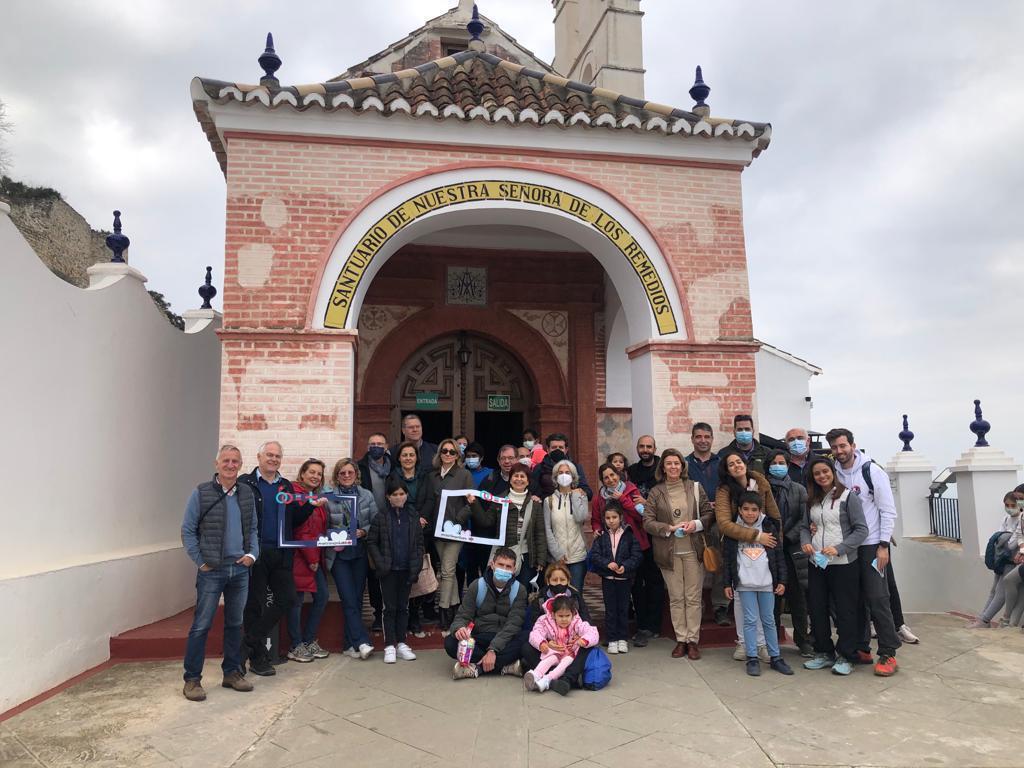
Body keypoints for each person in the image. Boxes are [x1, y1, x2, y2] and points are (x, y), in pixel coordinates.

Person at [181, 445, 259, 700]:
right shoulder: (202, 493)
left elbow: (254, 529)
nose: (230, 465)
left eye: (235, 461)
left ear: (240, 464)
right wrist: (201, 562)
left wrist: (251, 555)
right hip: (212, 570)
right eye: (225, 460)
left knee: (235, 624)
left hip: (239, 569)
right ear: (217, 464)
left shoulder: (246, 493)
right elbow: (188, 530)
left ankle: (232, 673)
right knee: (201, 625)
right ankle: (192, 680)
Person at [827, 428, 903, 675]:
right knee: (854, 599)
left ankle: (888, 652)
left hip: (871, 545)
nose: (839, 451)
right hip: (848, 545)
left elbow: (888, 510)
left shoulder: (872, 472)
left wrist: (883, 546)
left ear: (852, 445)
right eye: (835, 447)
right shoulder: (835, 473)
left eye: (842, 446)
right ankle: (861, 648)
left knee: (878, 597)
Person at [239, 441, 308, 676]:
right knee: (254, 606)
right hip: (254, 554)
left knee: (287, 600)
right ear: (259, 456)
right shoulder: (245, 483)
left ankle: (245, 645)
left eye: (277, 456)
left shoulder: (285, 485)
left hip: (280, 554)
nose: (274, 459)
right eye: (269, 455)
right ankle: (258, 659)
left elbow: (294, 519)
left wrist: (310, 504)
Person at [799, 456, 868, 676]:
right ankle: (824, 652)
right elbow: (804, 528)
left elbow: (861, 530)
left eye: (825, 472)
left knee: (846, 610)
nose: (822, 476)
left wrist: (840, 548)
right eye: (817, 473)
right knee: (817, 608)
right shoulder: (811, 500)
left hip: (844, 564)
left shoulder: (848, 497)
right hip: (817, 563)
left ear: (833, 472)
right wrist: (806, 543)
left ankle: (847, 655)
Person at [643, 448, 714, 659]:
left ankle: (693, 641)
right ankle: (680, 640)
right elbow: (647, 521)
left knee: (693, 597)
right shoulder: (656, 492)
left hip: (693, 550)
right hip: (669, 551)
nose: (673, 467)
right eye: (669, 463)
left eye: (677, 463)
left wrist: (696, 524)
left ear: (683, 466)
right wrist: (667, 528)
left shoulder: (694, 488)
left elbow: (709, 514)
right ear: (662, 467)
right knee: (676, 598)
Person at [716, 449, 781, 661]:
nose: (736, 465)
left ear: (745, 462)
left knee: (764, 605)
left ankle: (762, 645)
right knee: (742, 602)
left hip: (764, 546)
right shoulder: (724, 491)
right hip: (739, 545)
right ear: (727, 470)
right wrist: (755, 536)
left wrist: (772, 539)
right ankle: (744, 643)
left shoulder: (761, 483)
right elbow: (724, 524)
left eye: (739, 461)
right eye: (731, 464)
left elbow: (774, 514)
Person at [590, 462, 664, 647]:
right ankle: (614, 633)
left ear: (619, 474)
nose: (610, 479)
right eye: (606, 477)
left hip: (635, 546)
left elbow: (642, 516)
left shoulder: (631, 491)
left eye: (613, 475)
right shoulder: (599, 498)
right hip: (612, 549)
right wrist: (597, 529)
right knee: (615, 594)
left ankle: (642, 629)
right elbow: (596, 520)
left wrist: (623, 499)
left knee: (638, 588)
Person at [723, 492, 794, 676]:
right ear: (739, 510)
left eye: (754, 510)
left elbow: (778, 555)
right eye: (745, 509)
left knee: (769, 620)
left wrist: (782, 581)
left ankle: (775, 657)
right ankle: (752, 658)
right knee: (750, 620)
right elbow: (728, 559)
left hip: (767, 584)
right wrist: (727, 583)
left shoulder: (769, 525)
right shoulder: (733, 530)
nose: (749, 513)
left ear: (760, 510)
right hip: (745, 584)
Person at [417, 437, 482, 632]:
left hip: (455, 531)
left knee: (446, 571)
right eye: (444, 451)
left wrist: (456, 521)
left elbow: (471, 503)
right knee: (449, 573)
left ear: (457, 455)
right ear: (439, 453)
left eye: (452, 452)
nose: (447, 454)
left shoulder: (464, 475)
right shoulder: (432, 476)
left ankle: (444, 612)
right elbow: (429, 501)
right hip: (436, 531)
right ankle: (454, 609)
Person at [324, 458, 378, 660]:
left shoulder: (366, 495)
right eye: (342, 473)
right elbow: (323, 525)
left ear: (356, 474)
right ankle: (362, 641)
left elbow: (376, 522)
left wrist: (364, 531)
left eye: (350, 472)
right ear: (337, 476)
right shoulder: (328, 497)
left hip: (360, 554)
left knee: (355, 599)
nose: (346, 476)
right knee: (348, 598)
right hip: (338, 556)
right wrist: (333, 535)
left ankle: (349, 645)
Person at [366, 476, 424, 663]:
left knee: (403, 607)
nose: (399, 497)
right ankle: (389, 644)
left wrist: (416, 565)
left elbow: (419, 544)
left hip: (407, 569)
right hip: (388, 570)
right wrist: (381, 563)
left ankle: (401, 643)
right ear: (388, 497)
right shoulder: (381, 517)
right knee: (389, 608)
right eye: (394, 494)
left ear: (406, 495)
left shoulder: (413, 516)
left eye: (402, 494)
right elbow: (372, 542)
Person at [446, 548, 528, 679]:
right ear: (492, 564)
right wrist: (459, 628)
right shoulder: (477, 585)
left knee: (527, 639)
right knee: (450, 642)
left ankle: (476, 668)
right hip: (479, 637)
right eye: (501, 565)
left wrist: (493, 650)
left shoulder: (520, 590)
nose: (504, 569)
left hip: (505, 639)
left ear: (514, 570)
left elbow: (514, 624)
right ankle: (505, 666)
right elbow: (463, 616)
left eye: (508, 567)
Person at [765, 450, 812, 656]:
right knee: (772, 598)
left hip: (793, 549)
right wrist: (773, 538)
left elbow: (805, 518)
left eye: (781, 462)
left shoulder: (799, 489)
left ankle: (803, 640)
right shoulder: (762, 488)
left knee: (798, 598)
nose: (778, 465)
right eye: (774, 462)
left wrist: (788, 537)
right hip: (769, 548)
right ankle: (771, 641)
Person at [286, 459, 331, 663]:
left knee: (322, 596)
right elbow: (301, 530)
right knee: (296, 602)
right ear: (302, 474)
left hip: (313, 557)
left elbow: (318, 530)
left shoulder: (315, 497)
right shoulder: (296, 495)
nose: (315, 476)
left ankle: (308, 640)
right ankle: (296, 646)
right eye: (311, 472)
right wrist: (312, 558)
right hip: (299, 557)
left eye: (319, 474)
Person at [686, 422, 729, 627]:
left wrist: (718, 503)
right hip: (694, 521)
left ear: (712, 439)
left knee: (719, 562)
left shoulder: (722, 463)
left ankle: (720, 607)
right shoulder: (684, 464)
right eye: (698, 437)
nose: (702, 440)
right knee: (696, 565)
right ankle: (697, 607)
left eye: (706, 437)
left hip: (719, 521)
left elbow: (729, 489)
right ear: (692, 439)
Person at [479, 464, 548, 589]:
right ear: (510, 479)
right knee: (500, 588)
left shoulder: (535, 503)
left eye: (523, 476)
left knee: (522, 590)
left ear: (528, 481)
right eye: (516, 476)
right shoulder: (499, 500)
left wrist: (541, 559)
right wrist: (474, 504)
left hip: (526, 555)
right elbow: (486, 522)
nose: (519, 479)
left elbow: (540, 533)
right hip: (502, 553)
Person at [589, 501, 643, 654]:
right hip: (608, 579)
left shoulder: (629, 535)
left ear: (621, 517)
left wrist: (625, 566)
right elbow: (595, 555)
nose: (611, 520)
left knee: (623, 609)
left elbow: (637, 555)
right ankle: (612, 639)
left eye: (614, 517)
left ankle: (622, 638)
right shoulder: (601, 536)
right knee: (610, 610)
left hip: (624, 579)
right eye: (607, 518)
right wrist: (607, 564)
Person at [967, 491, 1024, 628]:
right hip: (1002, 560)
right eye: (1007, 505)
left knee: (1001, 591)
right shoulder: (1006, 519)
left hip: (1012, 561)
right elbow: (1002, 539)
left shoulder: (1020, 519)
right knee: (993, 590)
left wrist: (1005, 539)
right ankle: (982, 618)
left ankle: (986, 620)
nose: (1009, 508)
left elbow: (1011, 544)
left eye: (1012, 505)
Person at [391, 441, 430, 634]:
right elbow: (391, 498)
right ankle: (401, 618)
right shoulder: (393, 476)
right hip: (399, 528)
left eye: (411, 455)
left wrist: (421, 518)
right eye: (404, 455)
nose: (408, 458)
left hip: (421, 529)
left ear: (417, 457)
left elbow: (431, 498)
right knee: (401, 572)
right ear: (399, 458)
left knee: (417, 571)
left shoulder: (425, 475)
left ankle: (414, 616)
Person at [525, 595, 599, 694]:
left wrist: (584, 640)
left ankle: (547, 680)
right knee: (549, 659)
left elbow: (592, 632)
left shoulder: (577, 622)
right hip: (555, 652)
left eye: (567, 616)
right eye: (560, 616)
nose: (564, 619)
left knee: (565, 663)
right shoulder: (545, 621)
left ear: (572, 614)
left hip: (570, 654)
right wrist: (542, 643)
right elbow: (536, 633)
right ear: (553, 614)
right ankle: (535, 675)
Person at [542, 458, 590, 592]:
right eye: (560, 472)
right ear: (555, 477)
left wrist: (575, 496)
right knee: (557, 593)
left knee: (575, 593)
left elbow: (581, 518)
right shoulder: (548, 501)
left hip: (578, 555)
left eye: (567, 472)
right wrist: (557, 553)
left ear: (573, 476)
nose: (564, 475)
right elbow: (547, 529)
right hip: (557, 556)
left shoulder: (581, 496)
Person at [359, 434, 391, 633]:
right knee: (373, 574)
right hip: (370, 527)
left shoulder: (393, 467)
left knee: (390, 572)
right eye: (373, 444)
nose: (377, 447)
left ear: (386, 446)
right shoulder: (360, 467)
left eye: (380, 444)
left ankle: (391, 612)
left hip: (391, 527)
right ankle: (377, 613)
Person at [530, 433, 593, 500]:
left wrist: (581, 491)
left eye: (561, 447)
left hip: (570, 506)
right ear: (548, 449)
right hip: (547, 506)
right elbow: (533, 491)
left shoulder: (575, 467)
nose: (557, 450)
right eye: (554, 447)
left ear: (566, 450)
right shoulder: (540, 468)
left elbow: (588, 493)